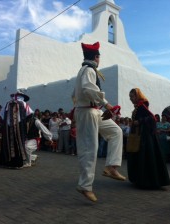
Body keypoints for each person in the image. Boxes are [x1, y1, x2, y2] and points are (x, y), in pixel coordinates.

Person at [72, 41, 125, 202]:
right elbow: (89, 90)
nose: (99, 59)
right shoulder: (88, 70)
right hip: (88, 111)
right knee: (90, 148)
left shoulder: (87, 71)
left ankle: (111, 167)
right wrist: (107, 105)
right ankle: (85, 186)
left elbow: (80, 92)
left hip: (94, 110)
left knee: (116, 132)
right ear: (96, 57)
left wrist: (104, 107)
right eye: (99, 56)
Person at [127, 88, 170, 189]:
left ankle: (148, 181)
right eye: (130, 97)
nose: (131, 99)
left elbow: (152, 118)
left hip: (145, 137)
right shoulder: (138, 107)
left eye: (132, 96)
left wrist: (140, 121)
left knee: (146, 157)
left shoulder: (142, 106)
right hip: (139, 136)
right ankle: (140, 180)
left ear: (137, 96)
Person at [0, 90, 34, 169]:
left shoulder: (7, 103)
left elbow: (1, 116)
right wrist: (25, 122)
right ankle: (17, 163)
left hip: (8, 128)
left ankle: (6, 162)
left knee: (7, 143)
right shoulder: (24, 104)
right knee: (18, 143)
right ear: (22, 97)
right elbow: (30, 114)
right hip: (19, 127)